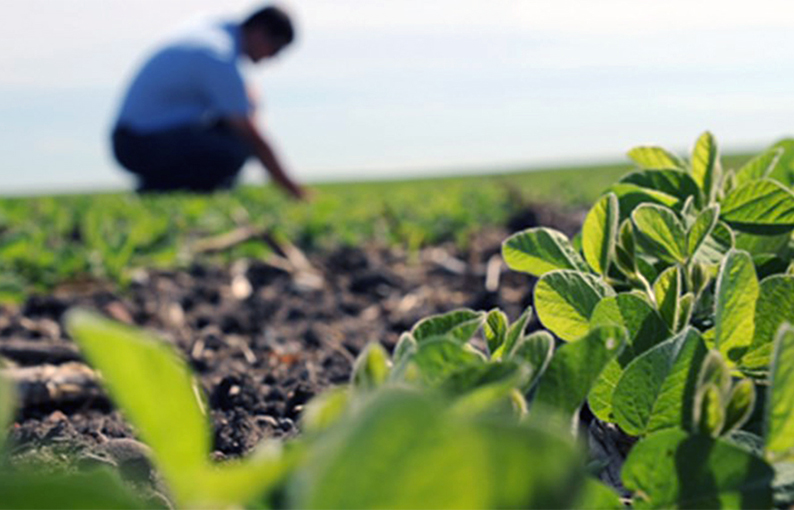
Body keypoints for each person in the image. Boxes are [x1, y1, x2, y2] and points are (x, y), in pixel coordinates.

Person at [111, 5, 307, 198]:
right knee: (234, 147)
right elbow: (251, 136)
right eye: (275, 48)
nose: (272, 57)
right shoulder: (218, 56)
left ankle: (160, 186)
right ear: (259, 32)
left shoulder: (214, 36)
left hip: (135, 138)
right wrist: (293, 190)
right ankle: (159, 189)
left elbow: (244, 97)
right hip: (139, 143)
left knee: (229, 136)